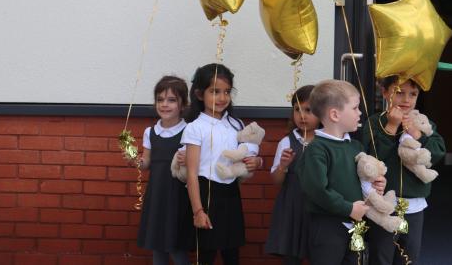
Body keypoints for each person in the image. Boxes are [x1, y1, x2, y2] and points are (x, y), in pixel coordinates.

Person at [181, 63, 264, 265]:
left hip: (230, 193)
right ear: (200, 94)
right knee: (206, 254)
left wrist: (257, 162)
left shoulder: (236, 124)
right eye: (215, 91)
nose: (222, 98)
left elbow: (248, 154)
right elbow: (191, 174)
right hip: (205, 193)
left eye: (227, 92)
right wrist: (198, 211)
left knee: (231, 252)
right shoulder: (195, 128)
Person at [296, 79, 383, 265]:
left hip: (356, 226)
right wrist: (349, 208)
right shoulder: (317, 150)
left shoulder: (355, 146)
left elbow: (363, 179)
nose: (360, 113)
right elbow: (317, 190)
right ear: (335, 114)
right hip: (327, 226)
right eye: (355, 108)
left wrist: (375, 186)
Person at [361, 77, 446, 265]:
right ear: (385, 92)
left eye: (413, 94)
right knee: (381, 254)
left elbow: (438, 151)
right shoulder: (375, 122)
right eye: (399, 92)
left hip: (413, 205)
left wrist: (418, 136)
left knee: (408, 255)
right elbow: (372, 160)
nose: (406, 99)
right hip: (383, 204)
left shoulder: (424, 123)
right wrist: (391, 127)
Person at [136, 75, 192, 265]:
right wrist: (134, 161)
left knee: (176, 249)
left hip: (178, 198)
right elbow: (146, 163)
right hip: (157, 196)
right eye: (160, 99)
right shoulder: (150, 132)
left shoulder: (190, 131)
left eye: (171, 100)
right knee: (157, 247)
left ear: (183, 104)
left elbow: (197, 165)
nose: (164, 104)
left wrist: (188, 160)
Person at [265, 85, 320, 264]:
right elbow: (277, 181)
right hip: (292, 207)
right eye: (297, 110)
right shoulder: (286, 142)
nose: (302, 116)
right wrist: (283, 166)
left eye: (308, 110)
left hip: (318, 208)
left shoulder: (326, 141)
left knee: (319, 253)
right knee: (291, 257)